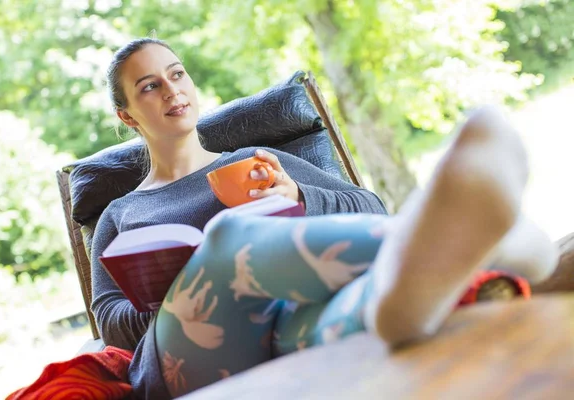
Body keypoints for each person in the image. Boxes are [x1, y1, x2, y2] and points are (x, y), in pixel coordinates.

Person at [90, 37, 558, 399]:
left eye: (177, 74)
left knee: (354, 305)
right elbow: (109, 321)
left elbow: (369, 207)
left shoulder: (260, 160)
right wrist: (183, 278)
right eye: (150, 86)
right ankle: (474, 238)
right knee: (230, 235)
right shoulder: (121, 212)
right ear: (127, 116)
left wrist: (300, 195)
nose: (173, 90)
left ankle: (399, 300)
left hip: (289, 329)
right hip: (187, 361)